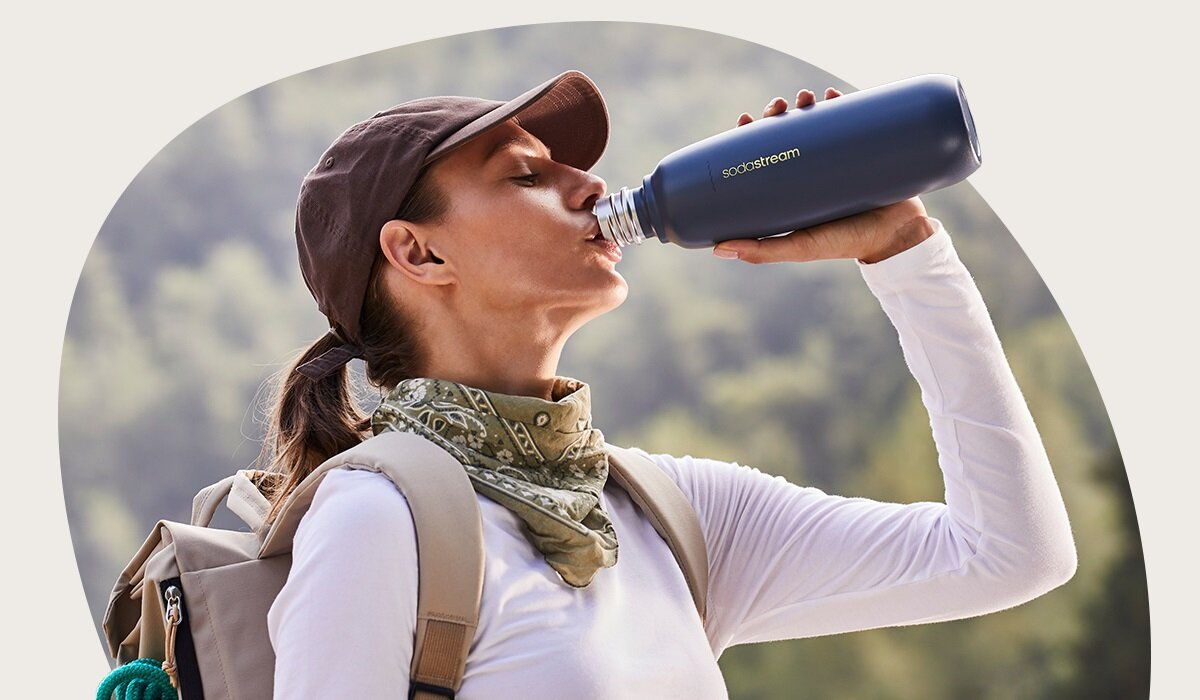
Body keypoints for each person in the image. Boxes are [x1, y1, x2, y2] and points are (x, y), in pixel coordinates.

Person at [261, 70, 1077, 697]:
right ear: (419, 253)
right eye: (525, 176)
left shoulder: (662, 515)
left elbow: (1007, 554)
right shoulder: (376, 520)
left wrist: (904, 252)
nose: (585, 184)